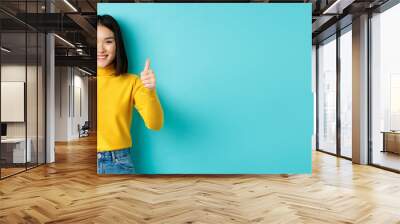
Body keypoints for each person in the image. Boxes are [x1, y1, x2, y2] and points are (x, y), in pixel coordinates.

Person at [97, 15, 164, 174]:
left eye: (108, 41)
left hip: (116, 163)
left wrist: (150, 90)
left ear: (117, 44)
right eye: (95, 41)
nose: (100, 49)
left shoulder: (132, 82)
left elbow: (155, 124)